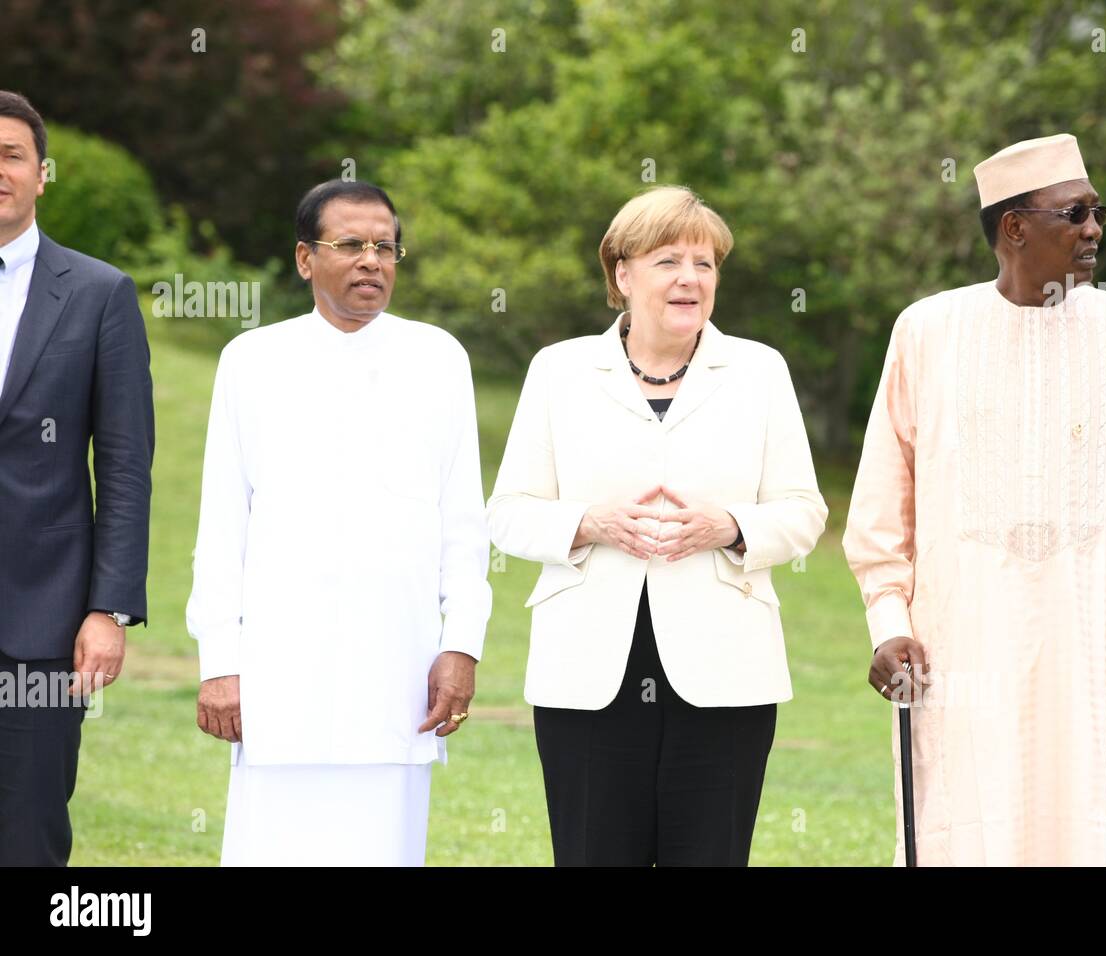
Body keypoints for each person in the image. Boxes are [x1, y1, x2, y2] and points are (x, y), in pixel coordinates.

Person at [843, 133, 1106, 865]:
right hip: (957, 651)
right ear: (1014, 228)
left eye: (1097, 211)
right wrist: (887, 622)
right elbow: (882, 505)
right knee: (964, 825)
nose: (1094, 230)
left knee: (1087, 833)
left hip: (1095, 652)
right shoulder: (928, 331)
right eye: (1074, 214)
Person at [487, 185, 828, 866]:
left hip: (726, 672)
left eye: (705, 264)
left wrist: (729, 525)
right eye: (668, 260)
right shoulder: (558, 370)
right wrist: (590, 521)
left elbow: (803, 511)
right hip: (587, 673)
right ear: (622, 273)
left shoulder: (760, 370)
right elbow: (508, 513)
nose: (690, 279)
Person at [186, 179, 491, 866]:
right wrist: (220, 664)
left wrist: (461, 645)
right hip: (280, 671)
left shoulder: (439, 358)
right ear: (304, 259)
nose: (371, 262)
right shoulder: (251, 361)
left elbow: (463, 524)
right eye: (350, 245)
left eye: (385, 247)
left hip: (399, 666)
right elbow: (221, 525)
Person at [0, 91, 155, 867]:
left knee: (28, 833)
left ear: (42, 172)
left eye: (11, 154)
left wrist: (109, 609)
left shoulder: (99, 294)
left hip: (43, 623)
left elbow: (125, 465)